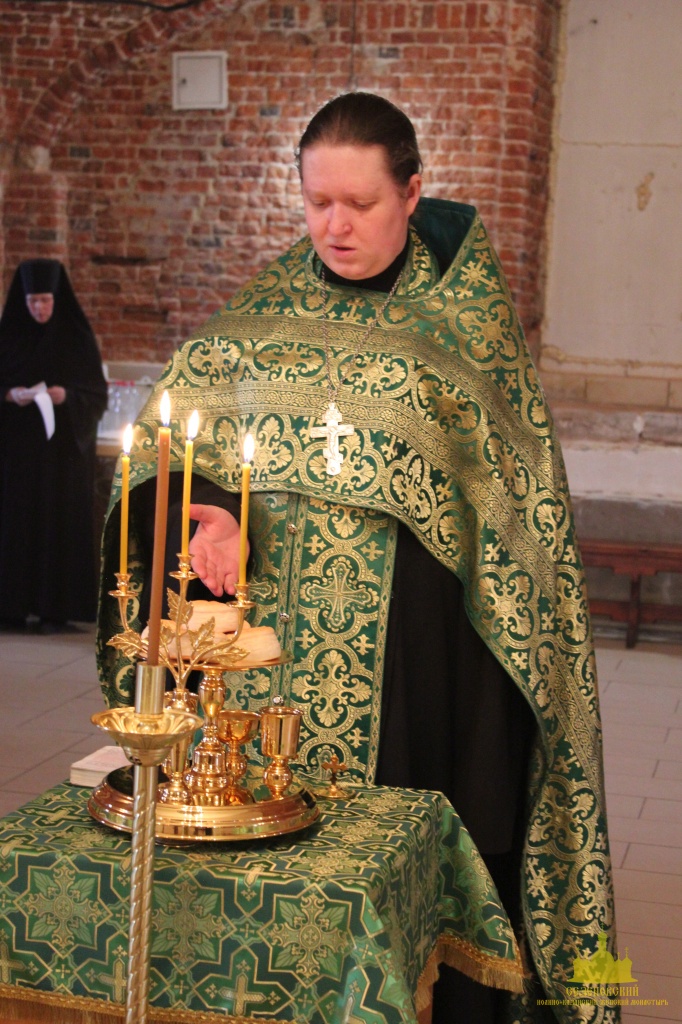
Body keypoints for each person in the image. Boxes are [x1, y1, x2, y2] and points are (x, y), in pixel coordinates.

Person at [97, 93, 618, 1023]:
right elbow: (175, 446)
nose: (334, 226)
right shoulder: (257, 318)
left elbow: (514, 514)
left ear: (412, 194)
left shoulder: (460, 331)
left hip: (415, 670)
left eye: (360, 203)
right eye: (316, 203)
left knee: (397, 885)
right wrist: (210, 514)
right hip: (263, 667)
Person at [0, 258, 107, 632]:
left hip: (62, 456)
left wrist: (67, 397)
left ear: (57, 299)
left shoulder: (76, 339)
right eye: (33, 301)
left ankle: (54, 609)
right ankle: (10, 607)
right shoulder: (8, 336)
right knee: (14, 525)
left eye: (45, 300)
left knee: (56, 525)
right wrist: (10, 395)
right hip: (15, 455)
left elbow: (96, 395)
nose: (39, 308)